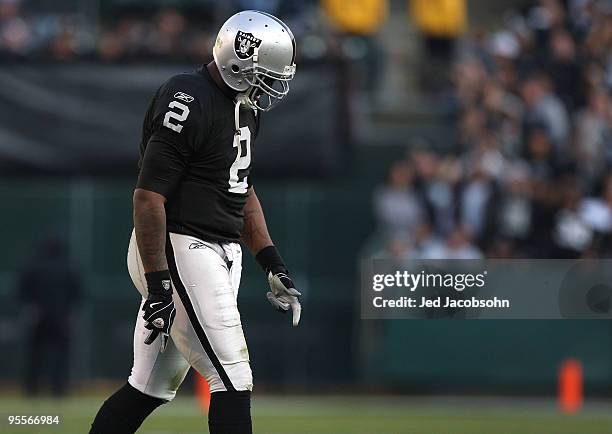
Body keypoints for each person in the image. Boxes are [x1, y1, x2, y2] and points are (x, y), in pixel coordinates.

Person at [89, 10, 301, 434]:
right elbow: (149, 197)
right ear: (238, 60)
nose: (272, 85)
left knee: (149, 386)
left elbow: (239, 188)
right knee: (233, 377)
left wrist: (271, 261)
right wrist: (158, 284)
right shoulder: (186, 97)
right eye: (265, 73)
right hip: (182, 244)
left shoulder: (245, 106)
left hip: (218, 250)